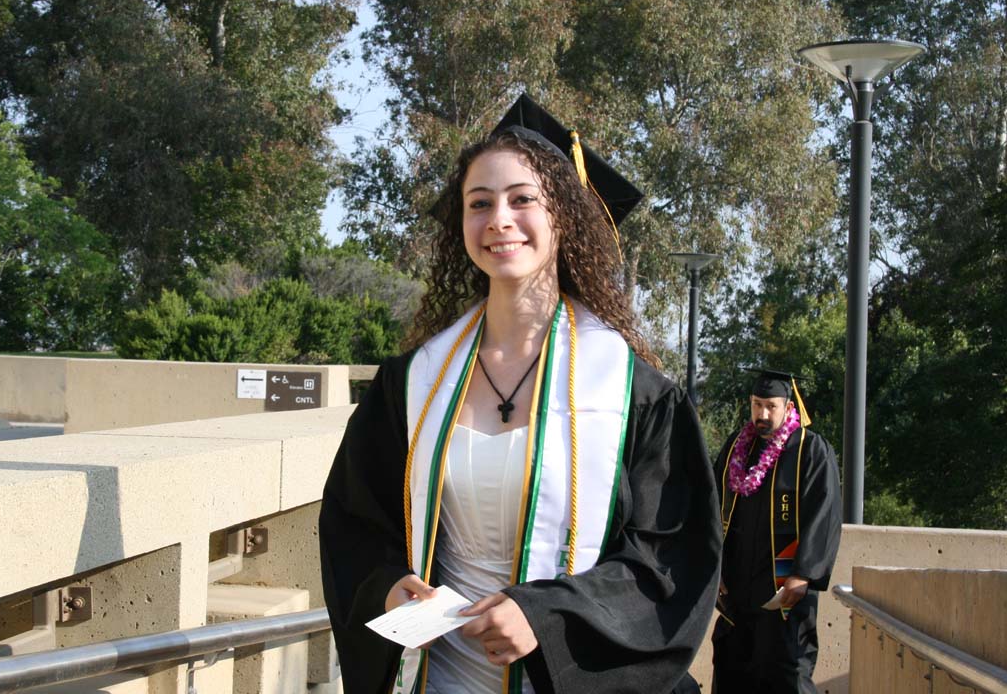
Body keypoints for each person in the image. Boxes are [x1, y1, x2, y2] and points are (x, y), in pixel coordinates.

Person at [319, 93, 722, 694]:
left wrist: (546, 615)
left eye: (523, 199)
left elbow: (668, 565)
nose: (499, 220)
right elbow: (354, 521)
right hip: (438, 679)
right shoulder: (412, 383)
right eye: (479, 204)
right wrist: (386, 583)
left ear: (564, 216)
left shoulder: (635, 393)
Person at [711, 369, 842, 693]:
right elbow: (712, 508)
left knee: (787, 674)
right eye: (757, 405)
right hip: (738, 590)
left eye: (771, 406)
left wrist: (803, 573)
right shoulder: (735, 450)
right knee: (733, 671)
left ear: (788, 406)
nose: (762, 414)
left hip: (785, 591)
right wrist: (714, 571)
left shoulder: (809, 451)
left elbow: (823, 514)